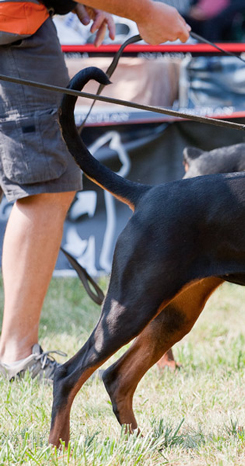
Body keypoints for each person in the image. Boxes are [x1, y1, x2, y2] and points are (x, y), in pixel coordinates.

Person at [0, 0, 190, 382]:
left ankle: (17, 355)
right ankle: (17, 359)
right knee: (45, 187)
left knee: (45, 183)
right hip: (15, 27)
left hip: (20, 22)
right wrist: (147, 13)